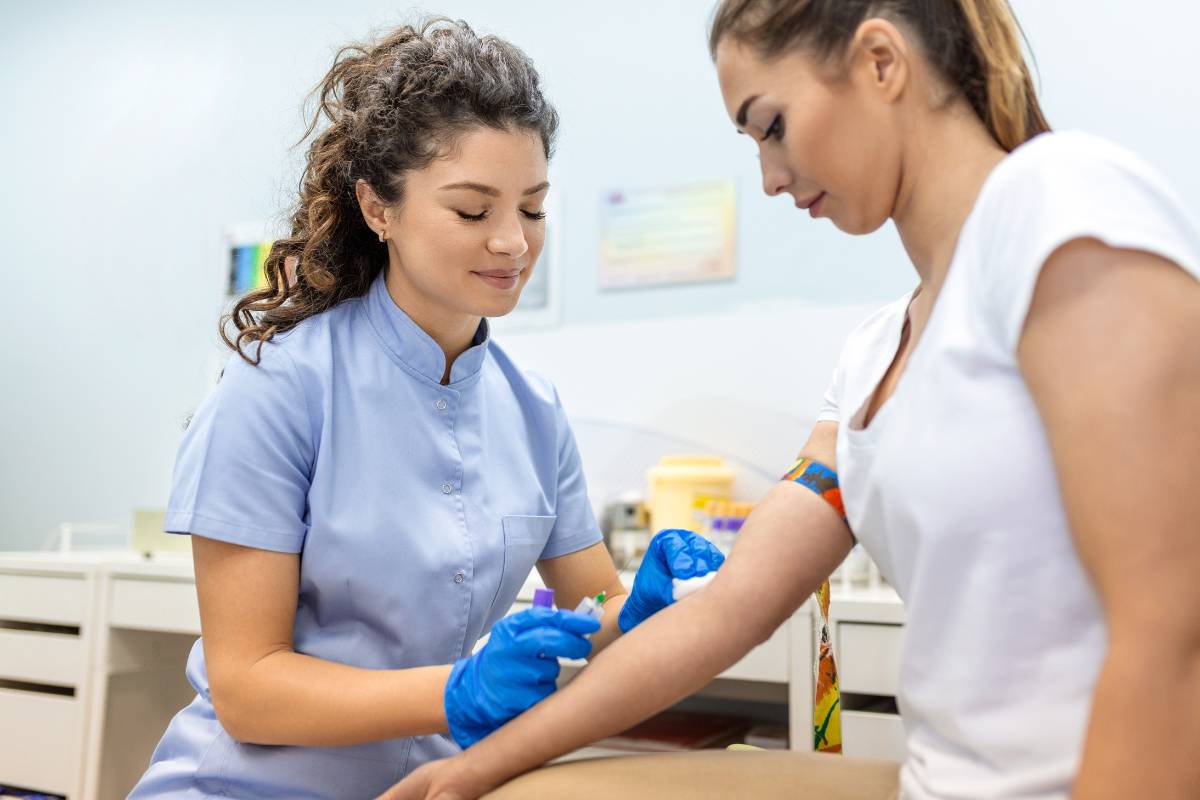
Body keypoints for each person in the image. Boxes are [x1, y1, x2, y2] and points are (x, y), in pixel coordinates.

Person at [381, 1, 1200, 798]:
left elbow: (1175, 628)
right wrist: (474, 767)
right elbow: (726, 613)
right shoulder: (878, 358)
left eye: (771, 125)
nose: (770, 178)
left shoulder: (1058, 205)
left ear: (881, 62)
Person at [129, 18, 722, 799]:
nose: (513, 241)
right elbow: (247, 690)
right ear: (378, 208)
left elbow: (594, 614)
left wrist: (640, 609)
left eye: (534, 209)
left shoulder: (533, 412)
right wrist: (456, 690)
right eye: (473, 212)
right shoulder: (279, 389)